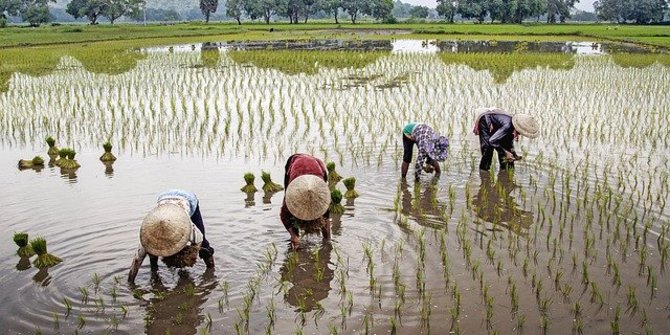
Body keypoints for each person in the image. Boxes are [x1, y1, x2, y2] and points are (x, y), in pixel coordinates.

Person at [128, 189, 215, 283]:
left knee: (204, 245)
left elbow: (199, 242)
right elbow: (137, 261)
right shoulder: (147, 238)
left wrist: (191, 255)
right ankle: (154, 272)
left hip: (188, 198)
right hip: (164, 199)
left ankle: (211, 270)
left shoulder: (190, 229)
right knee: (152, 252)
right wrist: (131, 282)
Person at [280, 154, 331, 250]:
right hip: (295, 163)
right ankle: (296, 239)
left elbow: (326, 218)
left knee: (323, 212)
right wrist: (293, 235)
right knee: (291, 212)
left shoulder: (323, 197)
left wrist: (327, 241)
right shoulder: (292, 195)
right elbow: (284, 216)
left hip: (318, 165)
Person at [473, 107, 539, 171]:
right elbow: (492, 141)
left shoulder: (512, 127)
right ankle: (484, 173)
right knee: (488, 150)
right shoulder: (507, 126)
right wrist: (505, 152)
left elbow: (509, 145)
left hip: (499, 125)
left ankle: (505, 172)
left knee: (507, 149)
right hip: (486, 121)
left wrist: (513, 154)